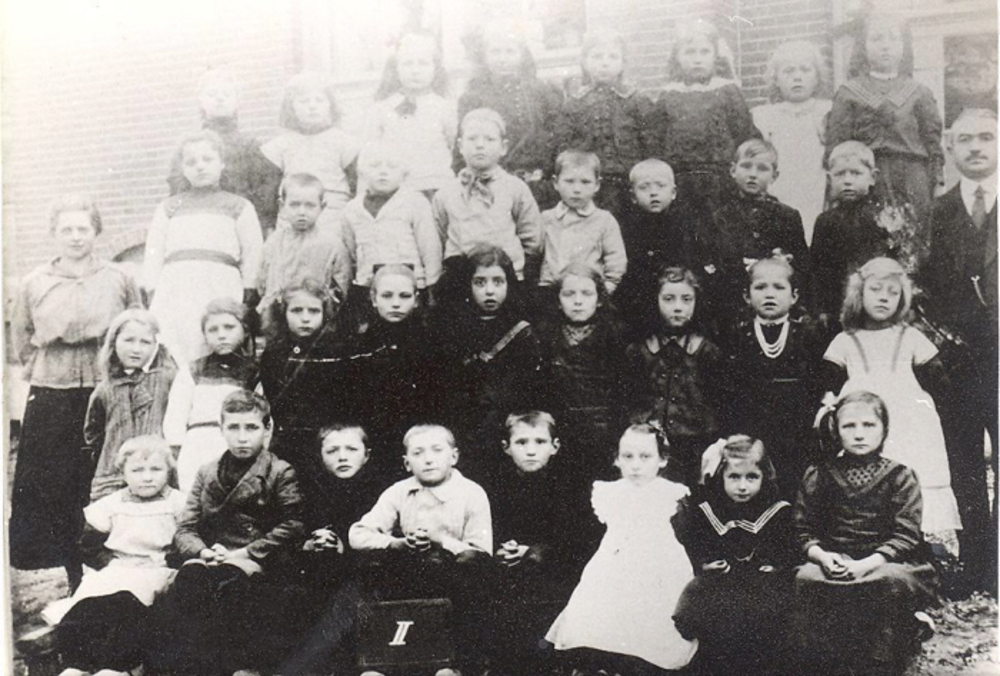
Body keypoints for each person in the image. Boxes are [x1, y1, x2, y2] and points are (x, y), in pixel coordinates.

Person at [9, 195, 142, 590]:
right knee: (58, 484)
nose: (75, 236)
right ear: (53, 234)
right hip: (53, 393)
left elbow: (136, 325)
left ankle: (118, 571)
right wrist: (50, 366)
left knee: (105, 478)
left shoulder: (119, 278)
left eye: (83, 228)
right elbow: (22, 339)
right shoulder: (35, 282)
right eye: (66, 229)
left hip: (107, 389)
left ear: (96, 231)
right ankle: (72, 572)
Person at [149, 390, 305, 676]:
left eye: (251, 428)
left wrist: (244, 552)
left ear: (267, 429)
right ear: (221, 429)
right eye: (234, 427)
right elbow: (186, 527)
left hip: (256, 559)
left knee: (229, 583)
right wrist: (203, 551)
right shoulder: (207, 472)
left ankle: (239, 667)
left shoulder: (280, 471)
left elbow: (293, 525)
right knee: (190, 579)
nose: (242, 437)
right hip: (212, 555)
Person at [794, 390, 940, 675]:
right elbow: (802, 529)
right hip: (834, 560)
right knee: (806, 578)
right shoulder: (819, 473)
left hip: (885, 562)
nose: (859, 434)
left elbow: (906, 535)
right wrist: (822, 556)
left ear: (884, 429)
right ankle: (823, 662)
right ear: (836, 430)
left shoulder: (900, 475)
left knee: (890, 581)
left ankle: (884, 657)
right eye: (849, 426)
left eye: (869, 425)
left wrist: (866, 564)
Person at [822, 256, 961, 542]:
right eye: (875, 290)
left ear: (902, 299)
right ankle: (868, 533)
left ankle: (916, 539)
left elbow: (940, 383)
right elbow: (827, 384)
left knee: (912, 469)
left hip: (908, 422)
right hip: (863, 417)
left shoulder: (909, 336)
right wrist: (827, 406)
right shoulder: (846, 340)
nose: (884, 298)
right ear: (859, 294)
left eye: (892, 292)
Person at [546, 424, 697, 674]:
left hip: (657, 565)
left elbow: (684, 535)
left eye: (645, 457)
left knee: (650, 618)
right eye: (628, 456)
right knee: (601, 614)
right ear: (617, 459)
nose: (635, 465)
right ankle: (600, 664)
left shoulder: (670, 494)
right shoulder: (609, 492)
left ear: (662, 460)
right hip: (614, 563)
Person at [923, 107, 998, 595]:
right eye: (965, 139)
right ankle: (977, 563)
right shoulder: (938, 211)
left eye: (986, 137)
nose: (975, 147)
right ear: (950, 148)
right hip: (962, 361)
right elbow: (925, 286)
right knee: (965, 464)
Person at [349, 424, 493, 672]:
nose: (428, 459)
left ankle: (458, 666)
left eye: (437, 450)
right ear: (407, 463)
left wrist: (441, 542)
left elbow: (481, 553)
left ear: (454, 457)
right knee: (374, 575)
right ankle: (382, 664)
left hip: (455, 581)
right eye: (418, 453)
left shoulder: (472, 493)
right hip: (411, 578)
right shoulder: (399, 492)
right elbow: (357, 534)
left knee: (472, 580)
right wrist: (397, 543)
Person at [48, 436, 186, 676]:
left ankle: (113, 666)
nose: (147, 477)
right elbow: (88, 544)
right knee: (89, 605)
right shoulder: (112, 505)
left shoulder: (177, 503)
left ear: (168, 471)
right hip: (118, 567)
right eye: (137, 470)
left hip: (157, 568)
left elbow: (187, 538)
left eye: (155, 469)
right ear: (123, 473)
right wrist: (109, 563)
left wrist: (170, 561)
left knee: (127, 609)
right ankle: (76, 664)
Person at [672, 435, 797, 675]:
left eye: (752, 477)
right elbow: (696, 544)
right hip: (722, 583)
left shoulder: (776, 510)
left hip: (761, 584)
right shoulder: (709, 509)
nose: (742, 486)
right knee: (707, 606)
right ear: (721, 477)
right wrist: (705, 564)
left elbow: (787, 547)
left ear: (764, 476)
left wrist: (776, 565)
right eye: (734, 477)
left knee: (763, 618)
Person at [826, 13, 944, 257]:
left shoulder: (919, 92)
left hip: (912, 180)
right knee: (868, 247)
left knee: (914, 249)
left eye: (893, 39)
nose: (886, 46)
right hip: (867, 182)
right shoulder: (849, 92)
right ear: (864, 45)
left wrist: (937, 184)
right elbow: (836, 149)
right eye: (877, 39)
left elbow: (933, 145)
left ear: (904, 45)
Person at [142, 129, 263, 366]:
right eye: (191, 162)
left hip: (221, 284)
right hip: (175, 288)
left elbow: (253, 253)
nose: (200, 166)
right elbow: (153, 254)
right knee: (176, 345)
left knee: (217, 340)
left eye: (207, 159)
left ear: (222, 163)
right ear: (183, 168)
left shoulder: (239, 206)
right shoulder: (169, 208)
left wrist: (248, 292)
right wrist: (154, 291)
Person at [277, 424, 388, 676]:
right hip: (319, 572)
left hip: (366, 575)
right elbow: (297, 532)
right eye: (332, 451)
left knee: (347, 602)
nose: (342, 457)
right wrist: (313, 541)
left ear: (366, 455)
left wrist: (344, 546)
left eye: (351, 449)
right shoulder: (310, 492)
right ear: (320, 456)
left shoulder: (381, 492)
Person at [484, 411, 590, 676]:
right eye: (521, 442)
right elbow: (487, 527)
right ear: (506, 447)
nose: (531, 451)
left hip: (554, 572)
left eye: (540, 442)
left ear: (555, 446)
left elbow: (576, 539)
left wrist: (533, 551)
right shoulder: (495, 487)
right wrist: (502, 549)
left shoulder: (568, 488)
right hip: (508, 572)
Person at [718, 255, 827, 499]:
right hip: (750, 429)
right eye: (760, 287)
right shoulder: (738, 336)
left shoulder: (807, 335)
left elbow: (816, 385)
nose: (769, 294)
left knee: (794, 488)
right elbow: (728, 390)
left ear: (794, 296)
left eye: (779, 287)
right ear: (747, 296)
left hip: (795, 431)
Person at [437, 245, 545, 481]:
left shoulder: (521, 331)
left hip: (505, 425)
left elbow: (524, 388)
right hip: (462, 425)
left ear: (509, 284)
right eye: (479, 282)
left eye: (498, 282)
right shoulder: (453, 330)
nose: (489, 291)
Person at [342, 265, 445, 479]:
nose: (396, 303)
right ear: (373, 298)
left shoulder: (432, 344)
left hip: (420, 442)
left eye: (404, 296)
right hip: (375, 441)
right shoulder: (359, 346)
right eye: (387, 296)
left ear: (416, 300)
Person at [624, 266, 723, 487]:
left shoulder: (707, 352)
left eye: (687, 299)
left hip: (695, 445)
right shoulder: (640, 351)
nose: (678, 307)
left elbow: (718, 403)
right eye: (668, 299)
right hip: (648, 445)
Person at [646, 19, 760, 210]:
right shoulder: (669, 95)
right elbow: (655, 139)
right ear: (677, 57)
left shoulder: (728, 91)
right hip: (680, 180)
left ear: (716, 56)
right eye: (689, 52)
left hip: (721, 179)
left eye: (705, 52)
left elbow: (744, 135)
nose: (697, 59)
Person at [537, 264, 628, 487]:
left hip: (604, 435)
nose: (578, 301)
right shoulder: (545, 336)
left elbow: (624, 392)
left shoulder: (616, 336)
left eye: (586, 294)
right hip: (561, 432)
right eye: (569, 294)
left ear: (599, 299)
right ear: (558, 301)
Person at [457, 21, 563, 209]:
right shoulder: (472, 97)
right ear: (484, 56)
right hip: (489, 184)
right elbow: (464, 143)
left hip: (535, 182)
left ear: (522, 55)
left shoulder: (540, 92)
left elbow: (555, 137)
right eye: (495, 52)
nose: (502, 59)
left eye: (510, 52)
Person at [433, 108, 543, 288]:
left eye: (489, 139)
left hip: (505, 279)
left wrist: (515, 268)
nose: (480, 145)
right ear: (460, 146)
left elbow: (532, 239)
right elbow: (440, 237)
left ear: (503, 147)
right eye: (472, 139)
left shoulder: (515, 188)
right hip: (460, 280)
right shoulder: (446, 193)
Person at [167, 67, 282, 237]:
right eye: (212, 94)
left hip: (241, 226)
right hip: (200, 224)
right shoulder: (189, 147)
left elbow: (266, 195)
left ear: (237, 101)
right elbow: (177, 189)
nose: (219, 98)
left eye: (226, 94)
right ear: (201, 101)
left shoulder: (251, 147)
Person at [707, 138, 810, 325]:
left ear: (774, 176)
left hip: (774, 306)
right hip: (730, 305)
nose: (753, 174)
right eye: (746, 166)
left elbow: (802, 266)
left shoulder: (787, 216)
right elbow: (714, 263)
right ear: (733, 170)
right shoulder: (719, 217)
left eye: (762, 169)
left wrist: (784, 263)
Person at [339, 142, 443, 325]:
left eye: (392, 166)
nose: (383, 171)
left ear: (404, 172)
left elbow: (430, 248)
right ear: (361, 172)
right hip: (369, 288)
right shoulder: (351, 210)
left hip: (409, 287)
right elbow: (352, 249)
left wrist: (432, 286)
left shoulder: (415, 203)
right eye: (374, 165)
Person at [259, 280, 348, 493]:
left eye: (314, 311)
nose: (305, 318)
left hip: (326, 439)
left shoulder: (336, 351)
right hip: (287, 441)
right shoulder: (273, 354)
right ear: (283, 313)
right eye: (297, 310)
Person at [163, 297, 260, 492]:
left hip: (238, 444)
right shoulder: (193, 370)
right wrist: (177, 448)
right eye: (213, 330)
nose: (221, 335)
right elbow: (176, 415)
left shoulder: (254, 372)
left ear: (244, 330)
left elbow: (262, 415)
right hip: (197, 446)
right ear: (205, 335)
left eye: (229, 327)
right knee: (196, 496)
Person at [553, 29, 652, 217]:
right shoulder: (574, 103)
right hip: (589, 188)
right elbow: (563, 148)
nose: (605, 63)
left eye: (613, 57)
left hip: (630, 184)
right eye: (597, 56)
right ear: (585, 62)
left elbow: (650, 144)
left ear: (623, 63)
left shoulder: (637, 100)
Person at [614, 158, 717, 339]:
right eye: (644, 187)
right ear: (633, 196)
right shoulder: (626, 229)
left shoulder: (685, 227)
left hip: (676, 301)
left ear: (673, 192)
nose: (653, 193)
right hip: (638, 303)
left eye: (661, 186)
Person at [84, 309, 178, 502]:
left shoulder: (166, 380)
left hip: (155, 475)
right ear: (114, 342)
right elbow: (93, 433)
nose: (136, 349)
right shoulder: (105, 388)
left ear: (156, 345)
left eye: (145, 342)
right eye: (129, 340)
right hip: (112, 477)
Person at [752, 40, 833, 244]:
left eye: (805, 70)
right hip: (780, 190)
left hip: (814, 191)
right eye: (788, 71)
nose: (797, 77)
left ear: (817, 77)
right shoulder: (764, 116)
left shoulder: (827, 112)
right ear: (776, 79)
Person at [260, 71, 360, 227]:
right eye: (304, 101)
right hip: (292, 222)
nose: (312, 106)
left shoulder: (344, 143)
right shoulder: (279, 146)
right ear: (291, 108)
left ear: (330, 105)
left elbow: (358, 189)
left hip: (334, 219)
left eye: (319, 100)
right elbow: (269, 197)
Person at [367, 31, 457, 198]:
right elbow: (371, 152)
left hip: (436, 186)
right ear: (396, 69)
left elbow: (453, 145)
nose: (415, 70)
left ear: (435, 68)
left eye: (423, 64)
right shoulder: (382, 108)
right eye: (408, 64)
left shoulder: (444, 107)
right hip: (397, 189)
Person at [811, 140, 894, 321]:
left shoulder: (883, 217)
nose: (847, 181)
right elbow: (818, 270)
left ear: (872, 177)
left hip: (876, 305)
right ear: (829, 179)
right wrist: (821, 309)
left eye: (856, 173)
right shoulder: (825, 221)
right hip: (836, 307)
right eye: (840, 174)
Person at [257, 173, 350, 326]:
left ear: (322, 207)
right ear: (282, 206)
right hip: (278, 319)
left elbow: (341, 288)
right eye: (294, 205)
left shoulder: (332, 245)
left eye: (310, 205)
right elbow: (262, 283)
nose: (302, 212)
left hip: (316, 319)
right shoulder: (273, 243)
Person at [537, 150, 627, 296]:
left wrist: (606, 288)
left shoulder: (604, 220)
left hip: (587, 295)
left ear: (597, 185)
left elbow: (616, 260)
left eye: (585, 182)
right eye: (569, 181)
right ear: (555, 183)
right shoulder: (546, 219)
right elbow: (533, 255)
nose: (577, 189)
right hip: (549, 293)